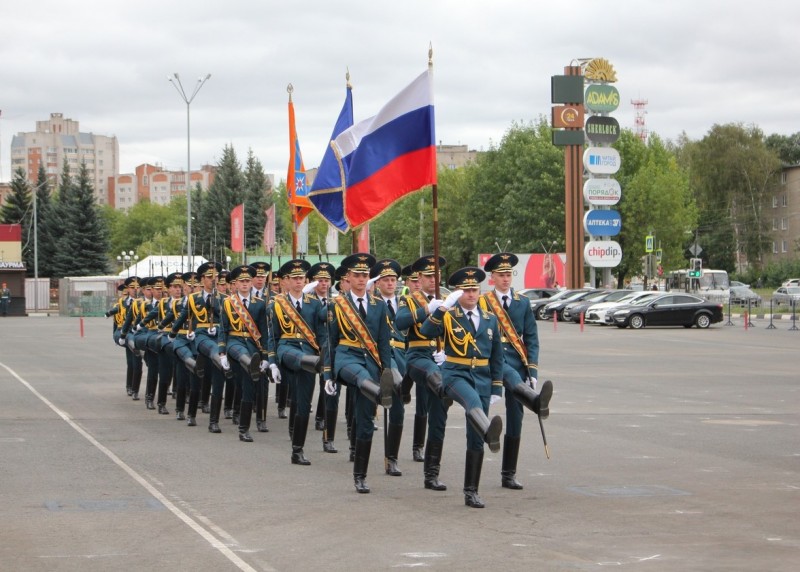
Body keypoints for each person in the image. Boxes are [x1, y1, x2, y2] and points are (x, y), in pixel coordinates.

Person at [420, 266, 504, 508]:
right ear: (458, 292)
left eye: (474, 289)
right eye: (466, 290)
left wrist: (496, 387)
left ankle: (471, 491)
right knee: (472, 402)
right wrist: (442, 308)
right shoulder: (449, 315)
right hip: (455, 375)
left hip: (482, 377)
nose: (471, 294)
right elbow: (426, 331)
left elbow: (497, 356)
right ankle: (490, 432)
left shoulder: (489, 318)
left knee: (475, 436)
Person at [481, 253, 553, 490]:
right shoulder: (483, 302)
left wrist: (532, 370)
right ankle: (535, 401)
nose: (505, 279)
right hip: (492, 360)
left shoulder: (522, 302)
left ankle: (508, 474)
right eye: (501, 275)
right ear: (492, 277)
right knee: (505, 382)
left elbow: (531, 337)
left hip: (516, 361)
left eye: (508, 274)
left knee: (515, 419)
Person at [326, 253, 394, 493]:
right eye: (357, 275)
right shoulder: (337, 304)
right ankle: (379, 393)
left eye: (365, 275)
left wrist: (386, 371)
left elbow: (383, 342)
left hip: (371, 363)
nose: (361, 279)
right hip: (346, 358)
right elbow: (330, 341)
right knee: (359, 377)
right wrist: (328, 375)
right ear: (348, 277)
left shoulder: (379, 305)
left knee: (365, 422)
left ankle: (360, 476)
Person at [395, 255, 452, 491]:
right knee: (434, 380)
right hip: (418, 357)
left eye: (436, 276)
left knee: (438, 417)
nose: (432, 280)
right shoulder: (409, 300)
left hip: (441, 360)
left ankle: (431, 474)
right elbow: (400, 322)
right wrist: (427, 309)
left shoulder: (448, 301)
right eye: (428, 276)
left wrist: (448, 352)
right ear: (419, 277)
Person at [273, 259, 326, 465]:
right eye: (294, 278)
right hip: (287, 349)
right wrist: (271, 362)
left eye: (301, 278)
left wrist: (326, 357)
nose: (298, 281)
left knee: (303, 402)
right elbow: (272, 336)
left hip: (310, 356)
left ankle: (297, 450)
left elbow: (321, 334)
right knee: (300, 364)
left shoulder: (314, 304)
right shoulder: (277, 303)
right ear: (286, 280)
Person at [218, 265, 274, 443]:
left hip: (253, 345)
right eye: (241, 281)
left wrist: (265, 357)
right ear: (235, 284)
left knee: (248, 389)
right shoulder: (228, 302)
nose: (244, 284)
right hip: (234, 342)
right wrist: (221, 353)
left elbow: (264, 332)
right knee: (242, 357)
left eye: (247, 281)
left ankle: (244, 429)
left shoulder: (260, 304)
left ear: (251, 283)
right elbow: (223, 329)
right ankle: (251, 363)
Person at [371, 258, 407, 476]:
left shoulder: (405, 304)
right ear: (377, 283)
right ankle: (356, 446)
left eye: (393, 279)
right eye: (385, 280)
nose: (390, 283)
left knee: (398, 411)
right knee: (367, 405)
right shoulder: (371, 303)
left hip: (401, 357)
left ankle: (391, 458)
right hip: (379, 357)